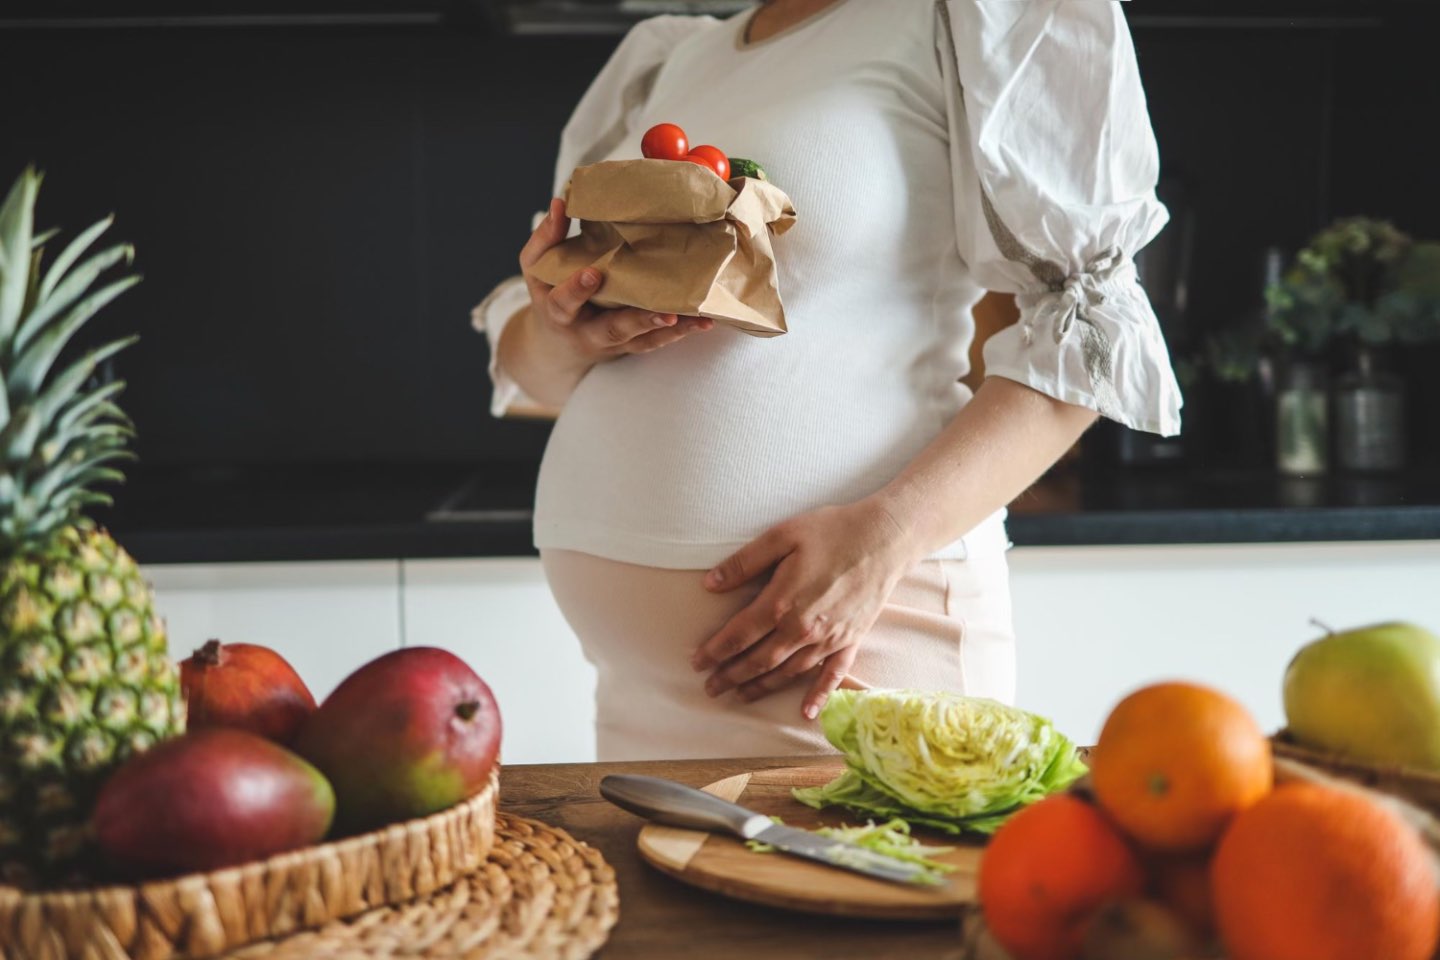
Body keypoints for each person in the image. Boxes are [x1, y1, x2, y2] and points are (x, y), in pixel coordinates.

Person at [473, 0, 1182, 761]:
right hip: (634, 697)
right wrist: (563, 327)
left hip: (853, 662)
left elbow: (1088, 331)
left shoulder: (976, 16)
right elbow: (535, 375)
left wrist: (888, 537)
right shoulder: (678, 56)